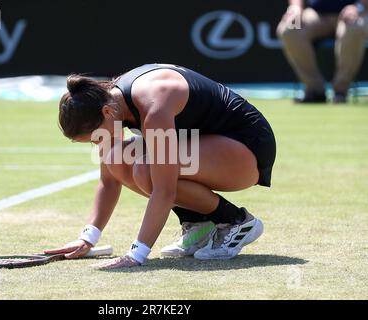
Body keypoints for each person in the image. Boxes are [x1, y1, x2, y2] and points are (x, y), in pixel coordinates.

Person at [44, 63, 276, 270]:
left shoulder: (153, 106)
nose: (98, 143)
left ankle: (236, 221)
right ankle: (199, 225)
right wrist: (88, 238)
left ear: (106, 113)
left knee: (146, 170)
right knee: (117, 158)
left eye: (95, 137)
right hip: (208, 145)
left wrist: (136, 254)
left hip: (249, 149)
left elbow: (165, 190)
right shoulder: (111, 102)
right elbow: (109, 180)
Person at [277, 0, 368, 103]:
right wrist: (296, 7)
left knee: (354, 27)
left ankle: (340, 91)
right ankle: (315, 90)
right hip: (316, 14)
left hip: (356, 11)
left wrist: (358, 7)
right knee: (290, 28)